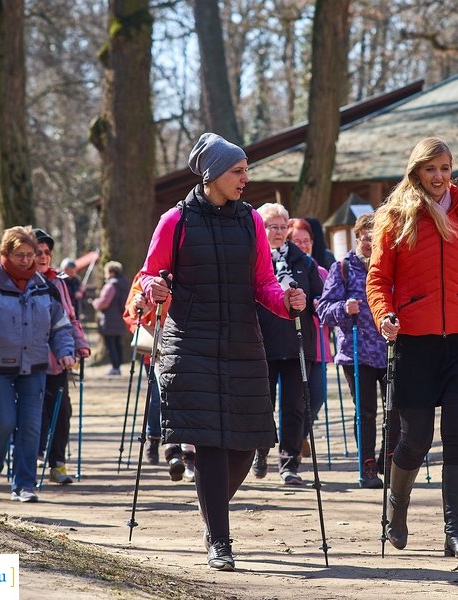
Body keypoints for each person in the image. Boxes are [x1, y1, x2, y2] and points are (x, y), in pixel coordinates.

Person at [140, 132, 305, 571]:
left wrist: (286, 302)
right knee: (211, 442)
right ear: (213, 174)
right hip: (190, 343)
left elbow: (263, 282)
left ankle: (210, 509)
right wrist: (153, 288)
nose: (245, 178)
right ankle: (220, 539)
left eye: (246, 170)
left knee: (247, 444)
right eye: (238, 171)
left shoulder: (250, 220)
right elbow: (149, 274)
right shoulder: (175, 220)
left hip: (243, 341)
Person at [366, 137, 458, 559]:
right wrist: (384, 315)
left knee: (457, 437)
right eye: (431, 168)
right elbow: (378, 280)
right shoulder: (395, 217)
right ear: (417, 171)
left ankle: (455, 532)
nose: (439, 176)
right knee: (415, 440)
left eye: (445, 168)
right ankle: (397, 505)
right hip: (414, 340)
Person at [0, 226, 75, 503]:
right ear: (5, 253)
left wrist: (65, 351)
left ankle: (24, 484)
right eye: (20, 255)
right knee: (5, 422)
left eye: (31, 255)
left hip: (35, 366)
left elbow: (60, 325)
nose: (27, 260)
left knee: (31, 427)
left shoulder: (44, 287)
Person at [317, 213, 400, 489]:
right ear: (357, 238)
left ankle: (388, 459)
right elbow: (323, 309)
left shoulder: (391, 266)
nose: (371, 245)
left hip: (390, 349)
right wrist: (344, 308)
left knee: (395, 408)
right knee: (366, 411)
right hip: (355, 352)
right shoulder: (342, 268)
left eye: (376, 240)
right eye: (366, 240)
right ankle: (367, 465)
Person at [254, 204, 323, 486]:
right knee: (262, 405)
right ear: (261, 229)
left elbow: (319, 298)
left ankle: (289, 463)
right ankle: (260, 451)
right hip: (261, 344)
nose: (279, 232)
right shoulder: (252, 259)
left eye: (283, 227)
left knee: (294, 407)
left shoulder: (303, 261)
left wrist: (322, 305)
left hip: (297, 344)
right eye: (273, 226)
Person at [122, 271, 196, 482]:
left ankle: (189, 455)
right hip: (160, 343)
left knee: (190, 397)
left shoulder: (196, 264)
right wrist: (140, 307)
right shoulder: (147, 272)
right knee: (165, 396)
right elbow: (131, 312)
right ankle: (173, 451)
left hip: (193, 340)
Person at [33, 228, 91, 485]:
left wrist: (81, 345)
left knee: (62, 411)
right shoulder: (17, 281)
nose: (43, 257)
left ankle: (57, 463)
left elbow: (70, 318)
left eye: (47, 252)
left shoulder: (58, 282)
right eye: (38, 252)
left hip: (57, 360)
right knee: (35, 413)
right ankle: (30, 457)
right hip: (27, 362)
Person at [287, 218, 329, 460]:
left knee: (317, 396)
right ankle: (293, 441)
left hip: (319, 345)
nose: (303, 245)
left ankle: (300, 434)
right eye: (297, 241)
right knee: (295, 400)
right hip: (294, 344)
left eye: (307, 241)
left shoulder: (322, 271)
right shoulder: (287, 271)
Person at [93, 261, 130, 375]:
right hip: (121, 319)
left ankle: (115, 367)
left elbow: (104, 302)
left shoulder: (111, 285)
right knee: (118, 343)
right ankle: (118, 366)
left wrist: (95, 303)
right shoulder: (125, 285)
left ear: (111, 272)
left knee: (110, 344)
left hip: (109, 319)